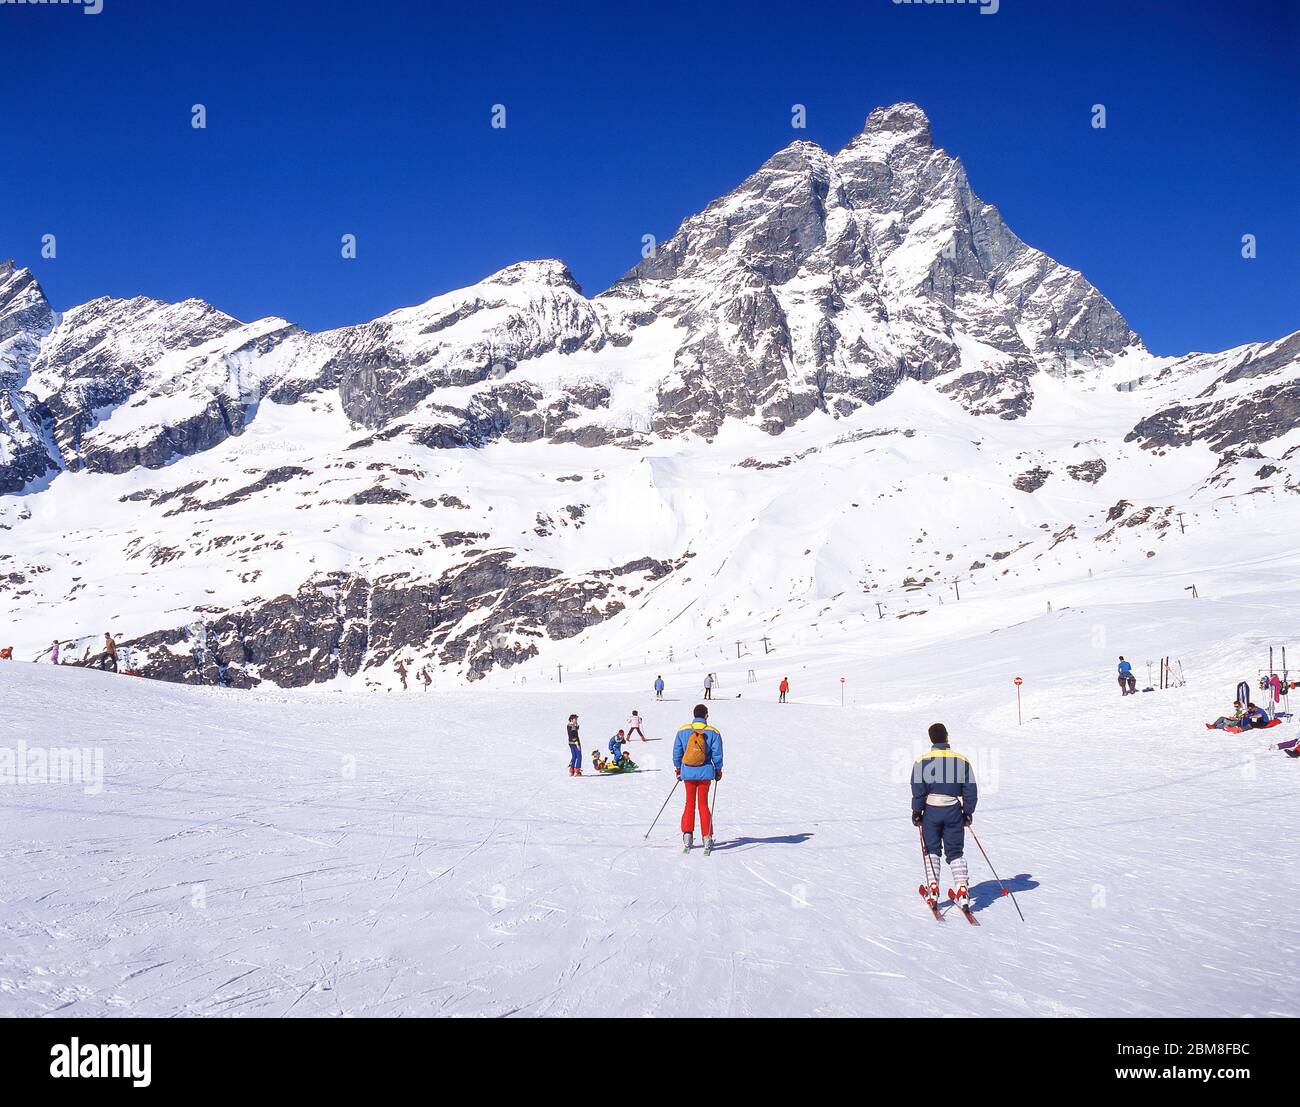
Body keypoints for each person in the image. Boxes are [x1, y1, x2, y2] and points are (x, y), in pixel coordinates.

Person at [911, 722, 978, 912]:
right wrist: (968, 812)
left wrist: (917, 812)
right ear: (947, 737)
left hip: (931, 810)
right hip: (954, 810)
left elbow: (918, 791)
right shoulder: (962, 760)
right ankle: (962, 892)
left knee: (932, 849)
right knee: (955, 851)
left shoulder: (921, 761)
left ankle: (933, 890)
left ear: (931, 739)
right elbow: (970, 790)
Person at [673, 703, 723, 854]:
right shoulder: (713, 732)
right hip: (705, 773)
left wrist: (678, 768)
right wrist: (718, 770)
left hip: (687, 772)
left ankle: (687, 836)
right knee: (703, 804)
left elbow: (677, 751)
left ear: (694, 715)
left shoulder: (683, 730)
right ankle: (707, 836)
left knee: (689, 803)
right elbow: (717, 754)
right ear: (706, 715)